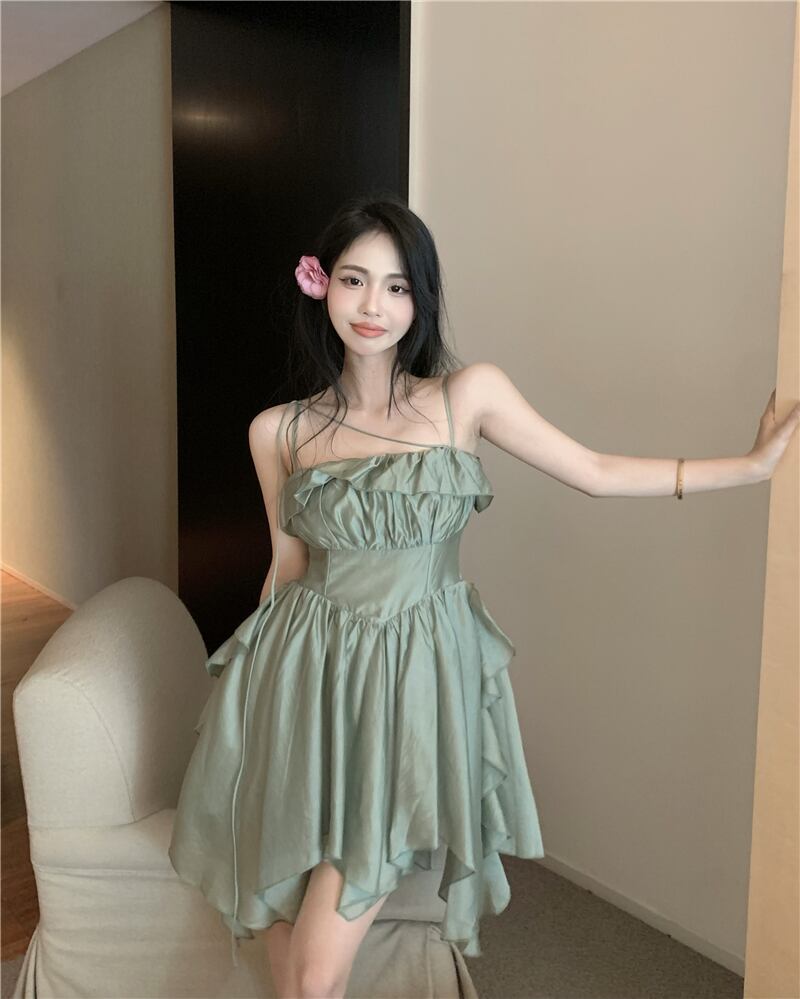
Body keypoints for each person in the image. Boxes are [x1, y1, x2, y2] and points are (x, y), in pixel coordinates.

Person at [168, 193, 800, 999]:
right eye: (355, 280)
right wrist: (249, 705)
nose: (373, 305)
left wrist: (747, 468)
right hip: (306, 682)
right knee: (292, 960)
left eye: (397, 286)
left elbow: (595, 471)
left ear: (421, 298)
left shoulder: (466, 396)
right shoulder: (278, 430)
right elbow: (286, 569)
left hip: (409, 689)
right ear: (321, 285)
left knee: (314, 972)